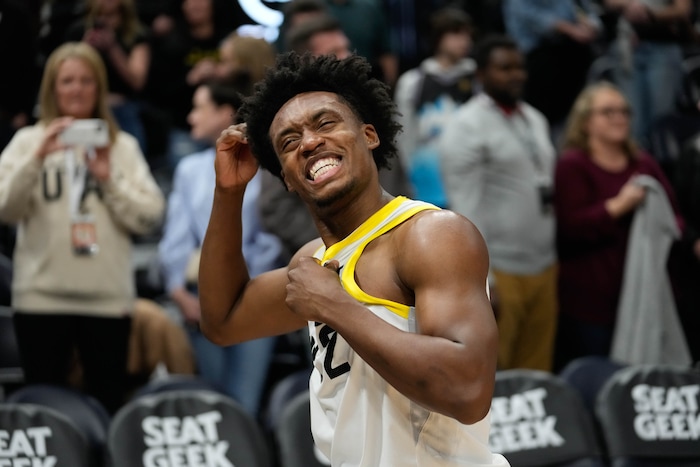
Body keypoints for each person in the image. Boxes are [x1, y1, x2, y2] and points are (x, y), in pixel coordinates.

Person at [198, 51, 508, 467]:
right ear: (287, 179)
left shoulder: (430, 235)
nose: (309, 142)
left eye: (325, 123)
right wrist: (228, 192)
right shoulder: (313, 261)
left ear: (369, 136)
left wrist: (335, 305)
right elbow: (224, 320)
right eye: (289, 142)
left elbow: (468, 393)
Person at [0, 42, 165, 414]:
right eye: (67, 81)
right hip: (40, 296)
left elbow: (150, 215)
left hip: (106, 299)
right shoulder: (28, 142)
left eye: (86, 80)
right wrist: (36, 158)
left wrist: (109, 180)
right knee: (43, 408)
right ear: (52, 89)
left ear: (99, 87)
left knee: (107, 404)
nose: (76, 89)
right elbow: (5, 209)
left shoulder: (121, 146)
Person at [158, 77, 285, 416]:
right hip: (197, 298)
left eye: (199, 108)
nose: (190, 118)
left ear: (224, 113)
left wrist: (243, 286)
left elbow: (270, 237)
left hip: (256, 294)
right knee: (214, 407)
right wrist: (176, 289)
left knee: (244, 403)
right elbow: (176, 236)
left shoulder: (263, 166)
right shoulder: (188, 169)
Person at [439, 35, 558, 372]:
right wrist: (482, 280)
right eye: (504, 68)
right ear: (480, 74)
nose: (516, 74)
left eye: (519, 67)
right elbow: (464, 210)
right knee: (495, 377)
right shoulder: (465, 127)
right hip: (500, 272)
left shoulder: (534, 118)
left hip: (544, 264)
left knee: (538, 375)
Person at [553, 81, 683, 370]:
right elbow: (569, 230)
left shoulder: (643, 163)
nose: (619, 118)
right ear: (586, 121)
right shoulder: (572, 165)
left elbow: (673, 216)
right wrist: (617, 206)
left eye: (624, 111)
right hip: (593, 302)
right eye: (608, 112)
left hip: (644, 293)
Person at [259, 15, 412, 260]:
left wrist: (394, 232)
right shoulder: (281, 124)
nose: (348, 57)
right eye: (335, 51)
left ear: (369, 134)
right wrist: (341, 248)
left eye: (346, 48)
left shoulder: (369, 110)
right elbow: (277, 210)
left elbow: (401, 183)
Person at [395, 6, 476, 208]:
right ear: (438, 37)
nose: (464, 41)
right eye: (456, 34)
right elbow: (404, 134)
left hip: (472, 176)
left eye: (467, 35)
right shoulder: (413, 81)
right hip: (428, 179)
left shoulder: (478, 78)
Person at [503, 0, 602, 137]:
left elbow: (588, 11)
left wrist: (591, 25)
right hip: (536, 61)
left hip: (572, 59)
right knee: (541, 119)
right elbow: (532, 17)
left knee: (574, 115)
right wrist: (568, 28)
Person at [65, 0, 151, 153]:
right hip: (85, 109)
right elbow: (65, 72)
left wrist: (113, 48)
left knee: (129, 157)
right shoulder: (78, 30)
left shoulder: (135, 34)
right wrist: (86, 48)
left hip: (123, 109)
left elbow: (137, 80)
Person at [604, 0, 693, 144]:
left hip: (662, 46)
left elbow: (682, 9)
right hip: (627, 48)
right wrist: (631, 6)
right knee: (631, 118)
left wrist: (649, 13)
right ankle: (634, 163)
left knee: (661, 120)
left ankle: (657, 164)